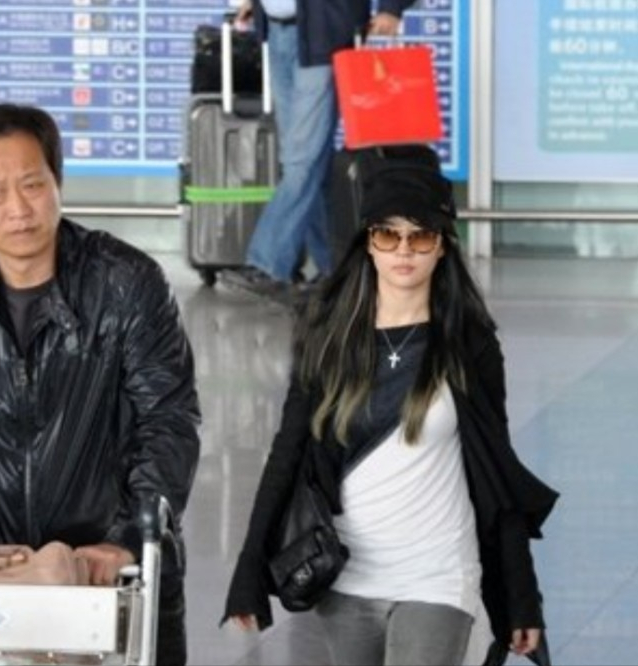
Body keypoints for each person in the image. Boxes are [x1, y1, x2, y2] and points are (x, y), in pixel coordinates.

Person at [0, 103, 201, 665]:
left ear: (57, 183)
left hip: (111, 571)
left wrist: (124, 539)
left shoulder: (127, 283)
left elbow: (168, 421)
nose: (19, 209)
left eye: (33, 185)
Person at [222, 152, 559, 665]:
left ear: (442, 246)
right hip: (348, 578)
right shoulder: (328, 337)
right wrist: (249, 569)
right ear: (368, 243)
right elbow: (287, 454)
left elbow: (498, 472)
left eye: (420, 237)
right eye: (387, 234)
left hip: (438, 574)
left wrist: (522, 597)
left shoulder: (468, 343)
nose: (403, 250)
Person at [222, 0, 417, 301]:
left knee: (301, 160)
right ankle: (336, 270)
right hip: (278, 32)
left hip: (325, 32)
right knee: (311, 161)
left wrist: (391, 8)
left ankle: (267, 264)